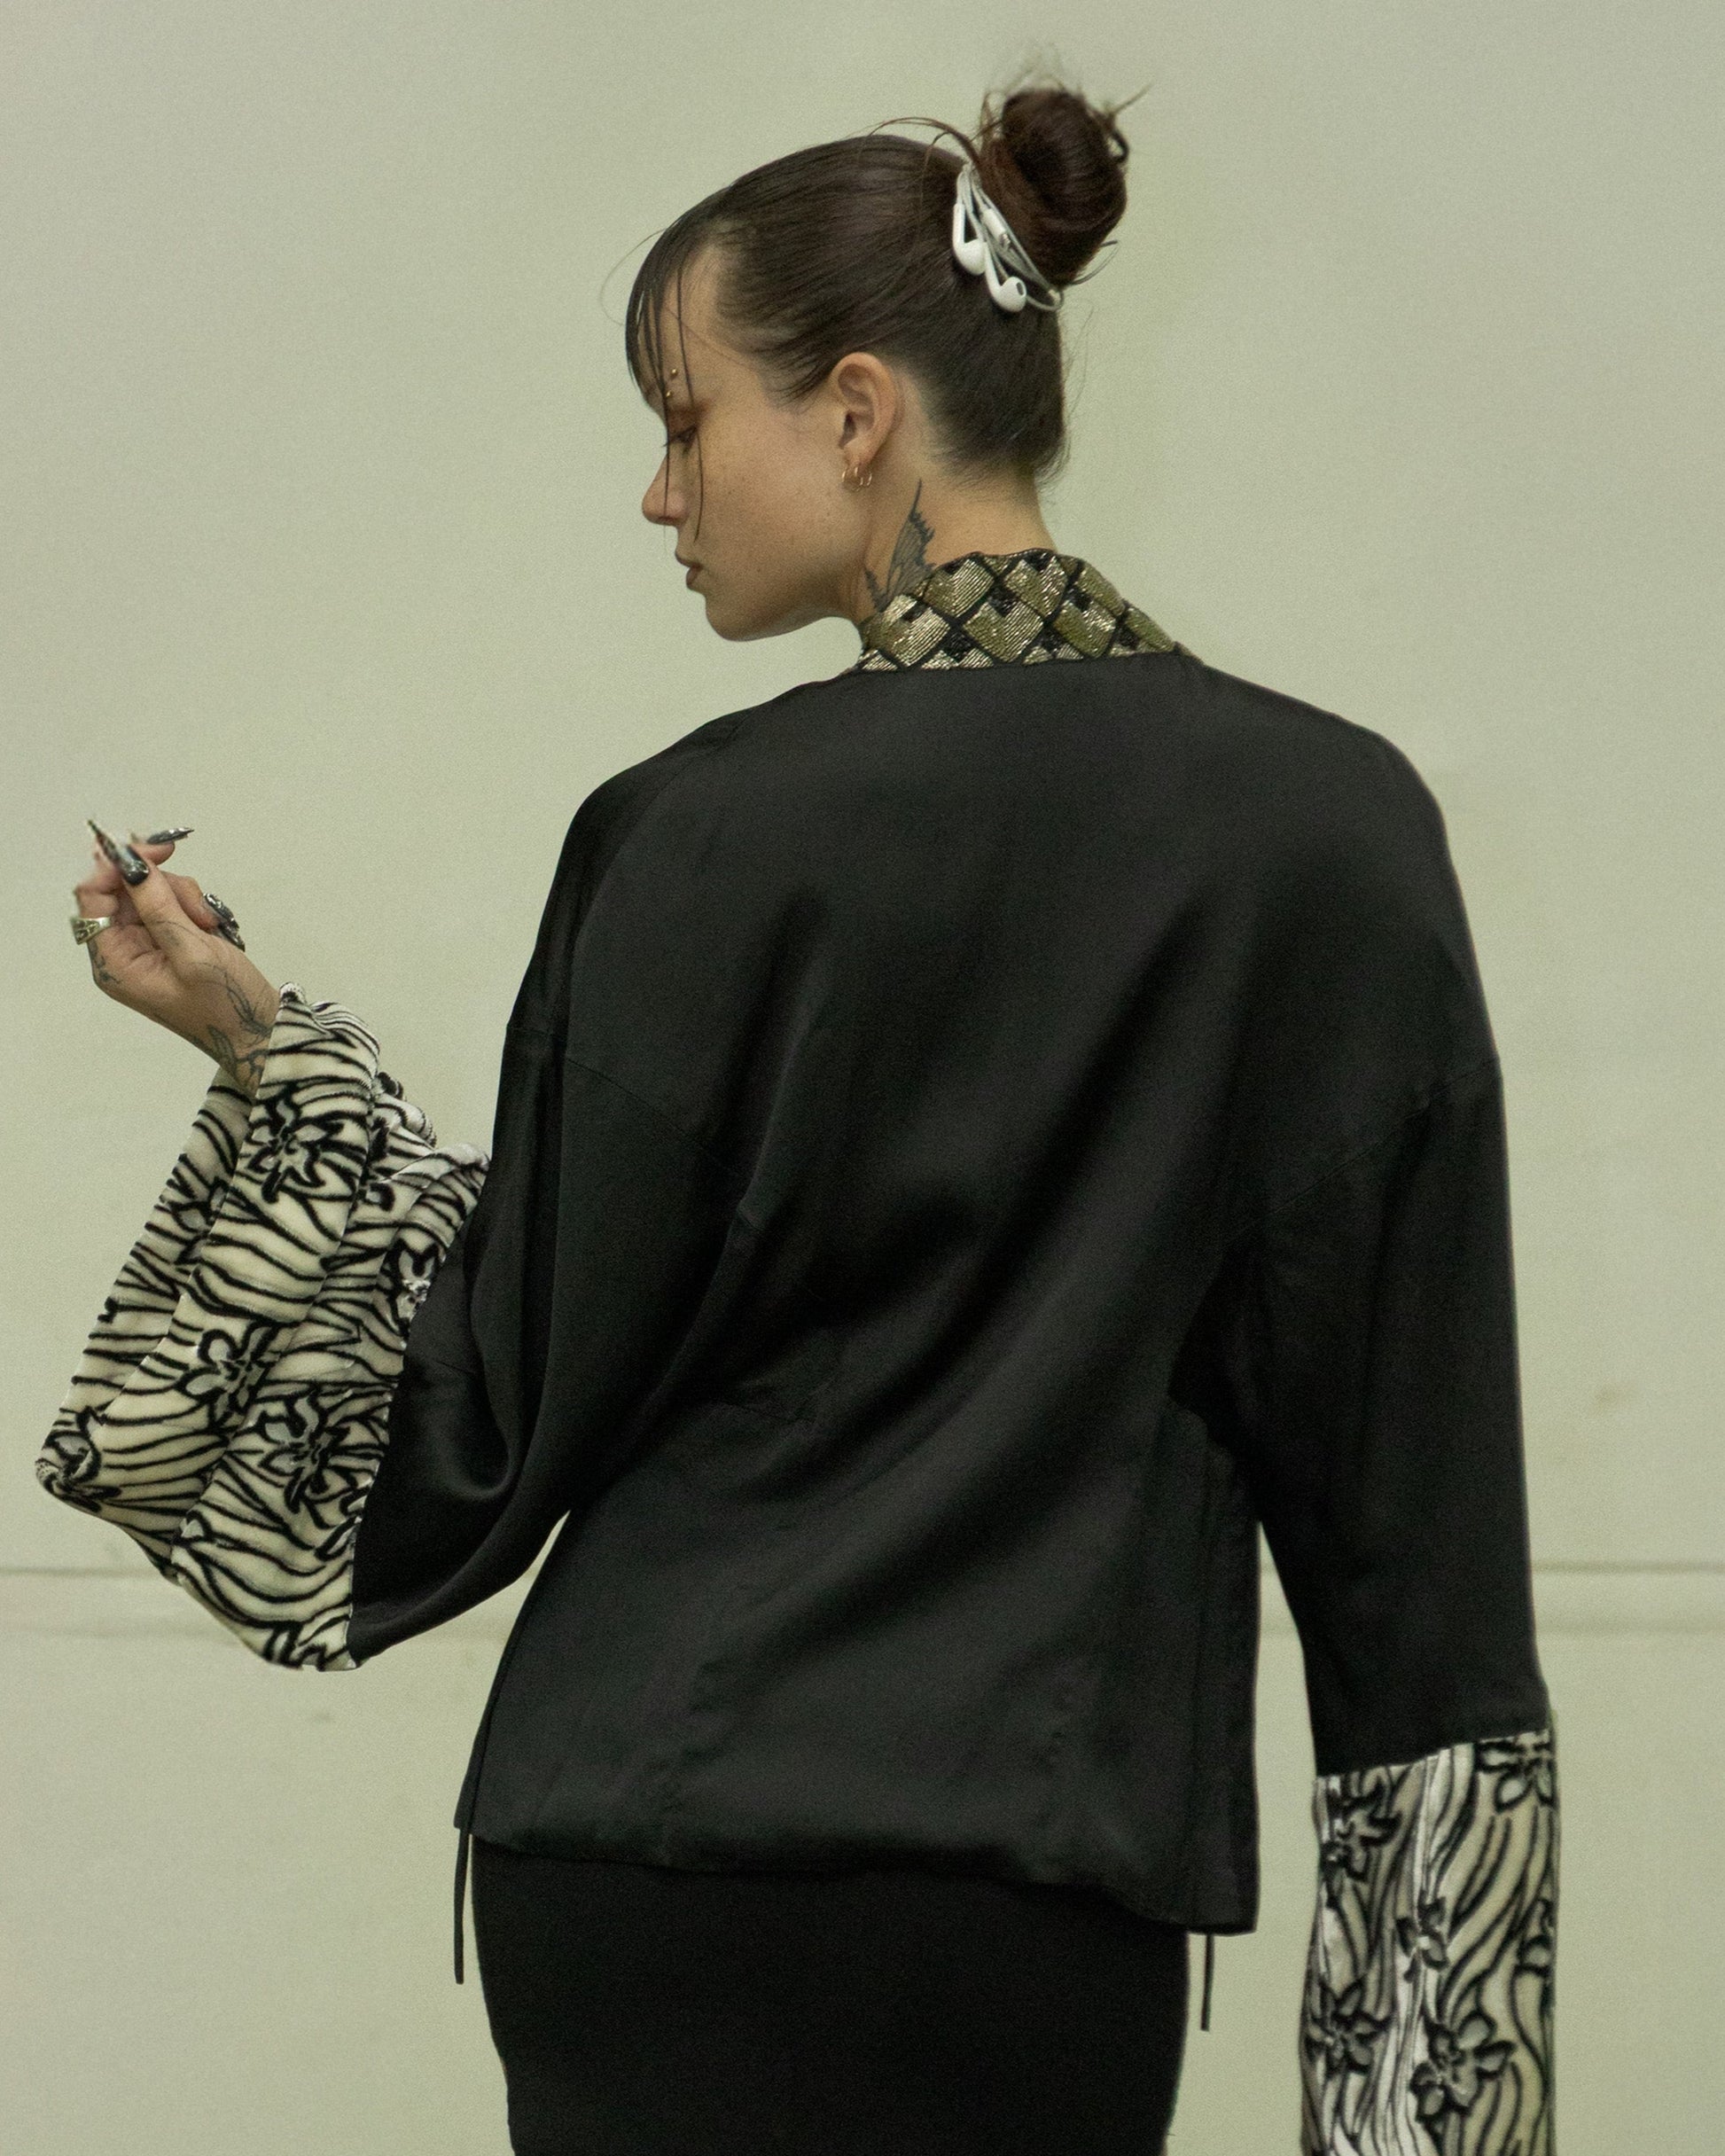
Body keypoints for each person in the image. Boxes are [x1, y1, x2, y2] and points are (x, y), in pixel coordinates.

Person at [47, 79, 1557, 2156]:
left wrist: (271, 1061)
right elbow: (1414, 1525)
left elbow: (498, 1390)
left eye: (684, 422)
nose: (658, 497)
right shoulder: (1330, 832)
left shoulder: (692, 838)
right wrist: (1432, 2103)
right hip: (1033, 1889)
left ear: (854, 412)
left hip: (640, 1865)